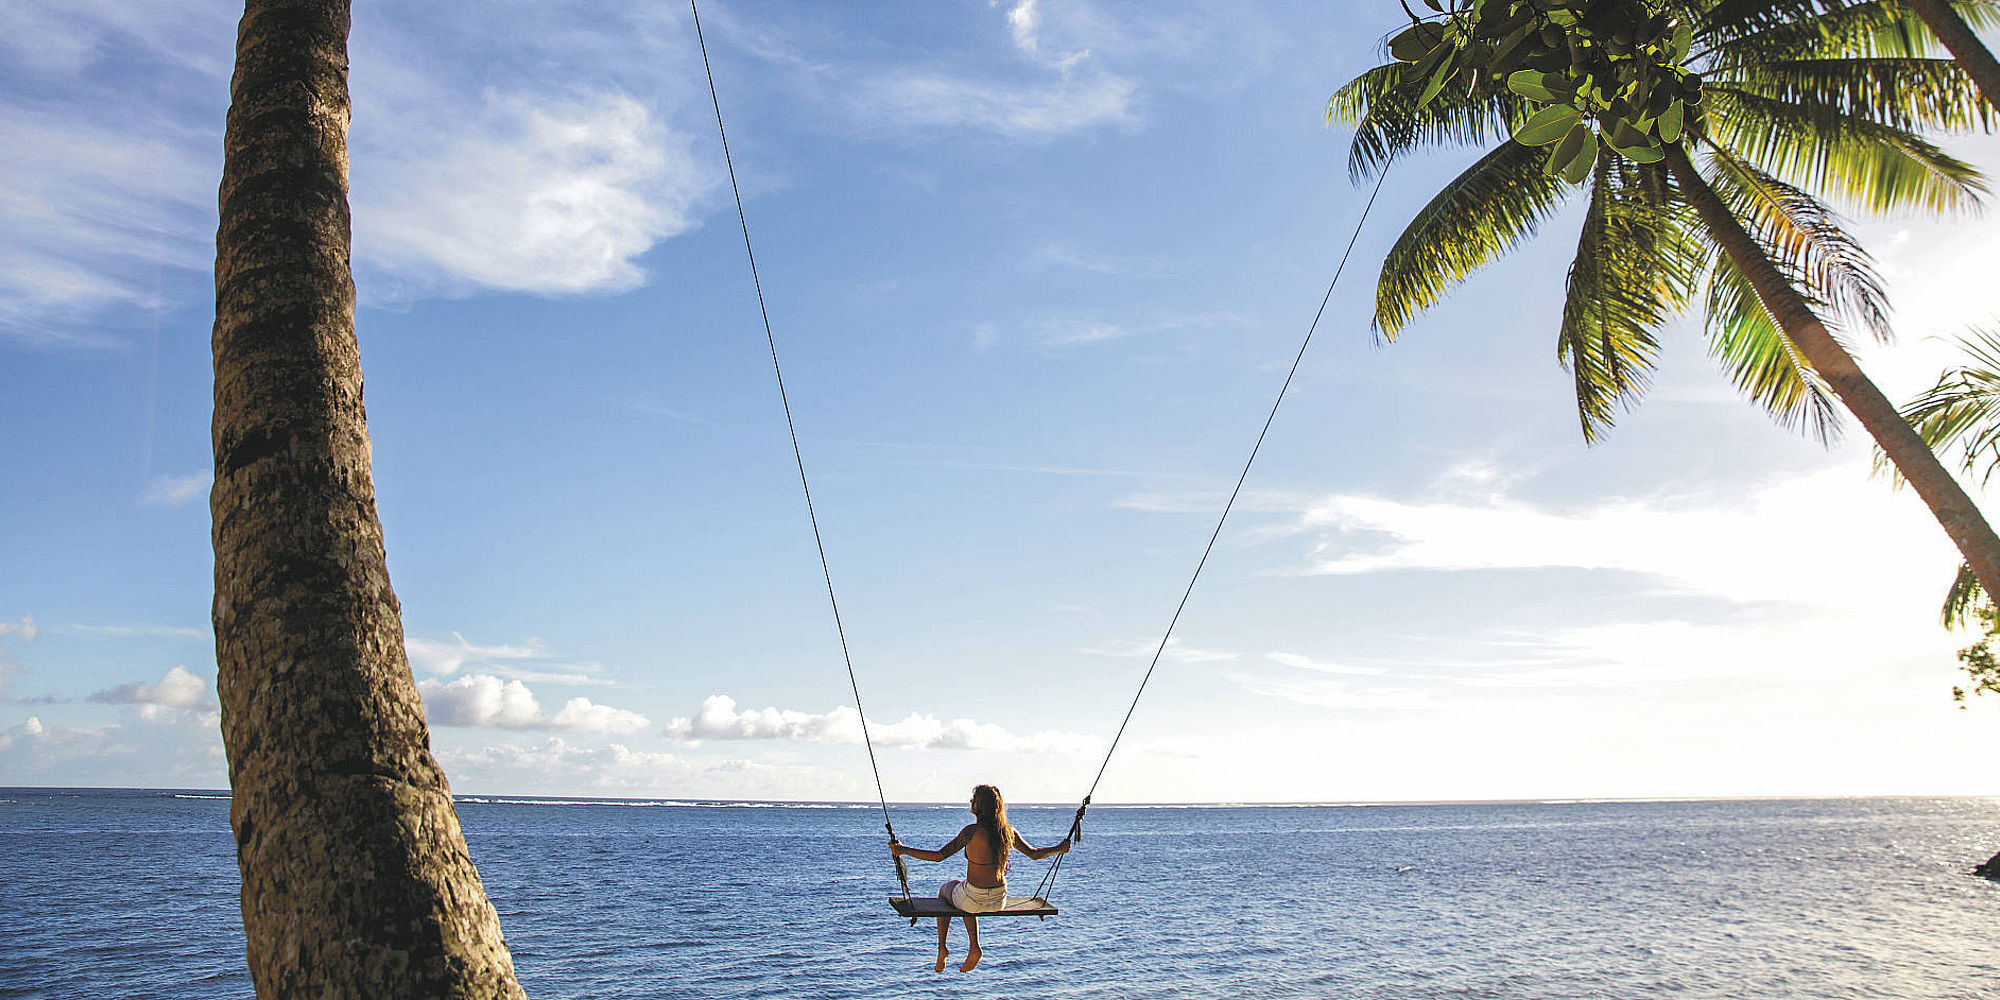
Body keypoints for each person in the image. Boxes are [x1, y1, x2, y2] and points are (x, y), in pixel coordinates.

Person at [889, 783, 1072, 972]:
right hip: (999, 900)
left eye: (974, 799)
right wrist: (1059, 848)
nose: (970, 801)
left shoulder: (971, 832)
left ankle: (944, 948)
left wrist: (903, 850)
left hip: (972, 899)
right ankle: (973, 948)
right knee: (965, 891)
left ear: (980, 806)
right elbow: (1034, 854)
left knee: (947, 889)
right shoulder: (1007, 832)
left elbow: (939, 856)